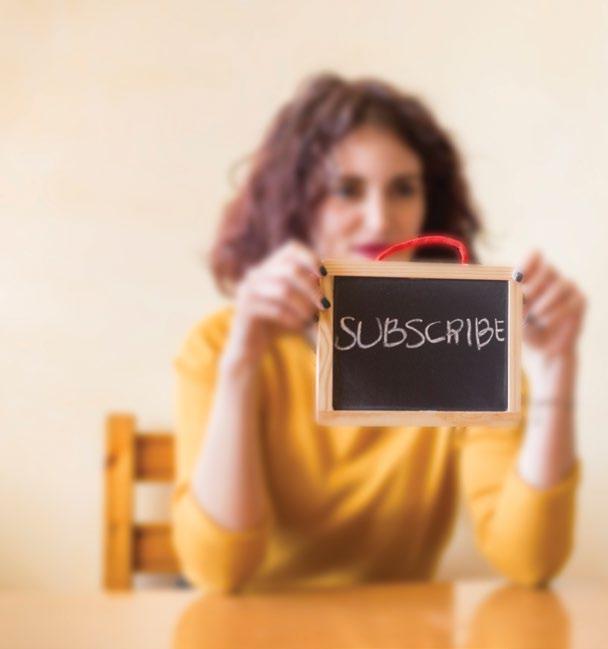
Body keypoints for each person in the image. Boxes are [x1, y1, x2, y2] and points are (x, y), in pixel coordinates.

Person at [172, 73, 586, 593]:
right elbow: (217, 573)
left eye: (403, 189)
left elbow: (529, 561)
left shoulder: (463, 349)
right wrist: (241, 365)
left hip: (402, 629)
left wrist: (557, 371)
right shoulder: (218, 347)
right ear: (295, 203)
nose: (379, 219)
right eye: (347, 190)